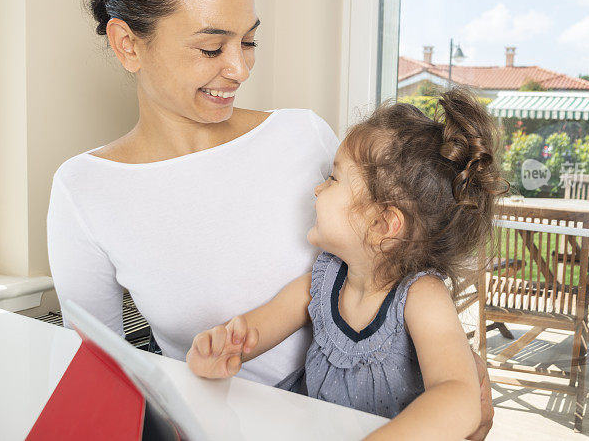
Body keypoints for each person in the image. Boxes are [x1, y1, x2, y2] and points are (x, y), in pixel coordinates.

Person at [46, 0, 492, 439]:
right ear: (127, 44)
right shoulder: (85, 191)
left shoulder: (303, 135)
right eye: (212, 48)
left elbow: (398, 256)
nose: (239, 68)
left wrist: (461, 383)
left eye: (250, 41)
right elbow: (102, 377)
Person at [187, 89, 507, 440]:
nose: (316, 190)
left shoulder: (421, 296)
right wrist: (225, 347)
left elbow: (458, 395)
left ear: (382, 225)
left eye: (334, 179)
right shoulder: (326, 278)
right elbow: (258, 328)